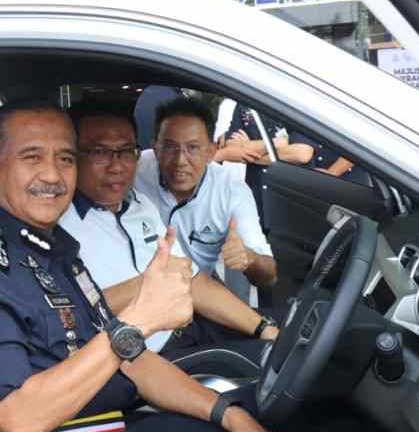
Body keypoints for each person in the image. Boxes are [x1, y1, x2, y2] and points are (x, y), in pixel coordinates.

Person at [0, 100, 357, 432]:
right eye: (32, 158)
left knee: (263, 430)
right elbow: (20, 421)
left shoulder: (50, 249)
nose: (53, 175)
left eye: (64, 158)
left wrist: (229, 415)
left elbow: (132, 359)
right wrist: (138, 321)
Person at [60, 102, 277, 373]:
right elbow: (65, 316)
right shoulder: (57, 224)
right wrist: (153, 284)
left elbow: (194, 282)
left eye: (126, 151)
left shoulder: (136, 204)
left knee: (281, 344)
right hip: (145, 360)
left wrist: (264, 329)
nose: (116, 167)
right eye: (99, 152)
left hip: (188, 327)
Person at [135, 97, 278, 303]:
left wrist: (249, 258)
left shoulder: (231, 190)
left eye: (193, 148)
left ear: (211, 152)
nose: (180, 161)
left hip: (197, 297)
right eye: (169, 147)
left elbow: (269, 276)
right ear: (155, 148)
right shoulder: (132, 171)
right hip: (137, 291)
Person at [216, 102, 314, 222]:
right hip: (256, 200)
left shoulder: (294, 103)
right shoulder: (246, 104)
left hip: (290, 201)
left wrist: (248, 150)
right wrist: (277, 143)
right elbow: (232, 147)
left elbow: (302, 154)